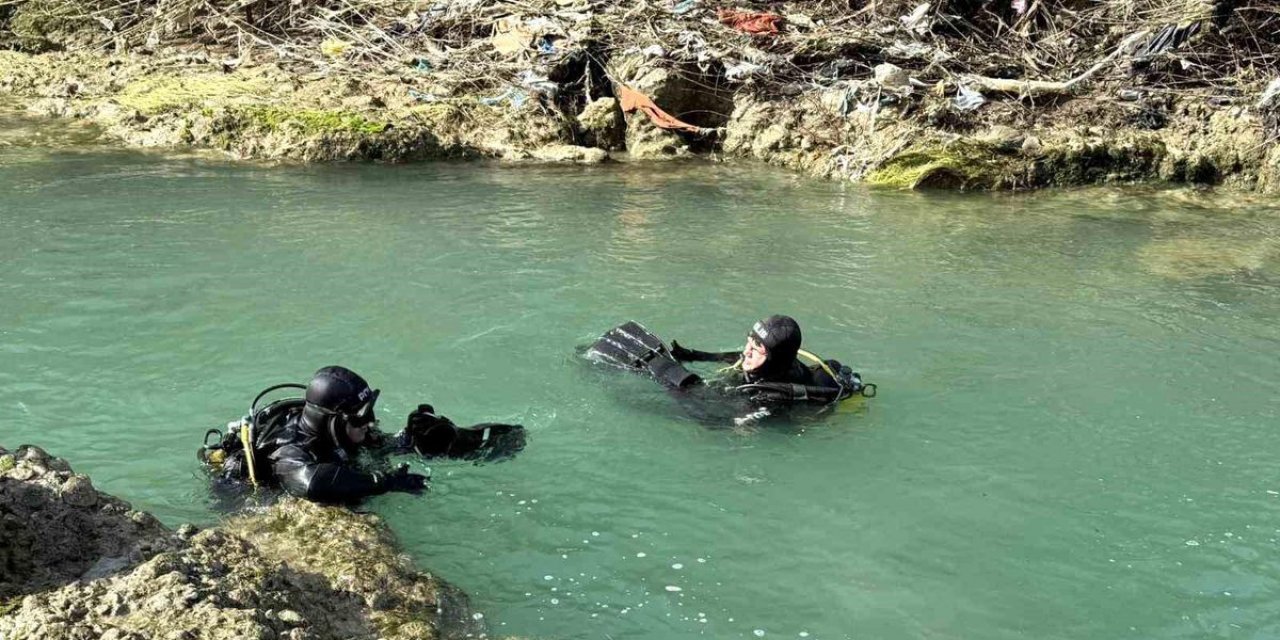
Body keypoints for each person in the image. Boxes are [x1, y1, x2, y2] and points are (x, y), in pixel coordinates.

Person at [199, 366, 525, 503]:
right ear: (334, 421)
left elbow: (377, 447)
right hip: (243, 496)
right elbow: (310, 483)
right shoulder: (290, 447)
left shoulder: (346, 431)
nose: (370, 423)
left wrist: (415, 438)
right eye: (361, 418)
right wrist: (384, 484)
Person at [586, 315, 872, 424]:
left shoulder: (769, 395)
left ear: (775, 359)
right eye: (749, 341)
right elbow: (737, 357)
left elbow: (712, 419)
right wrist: (696, 355)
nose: (747, 351)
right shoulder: (779, 361)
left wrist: (669, 375)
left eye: (756, 349)